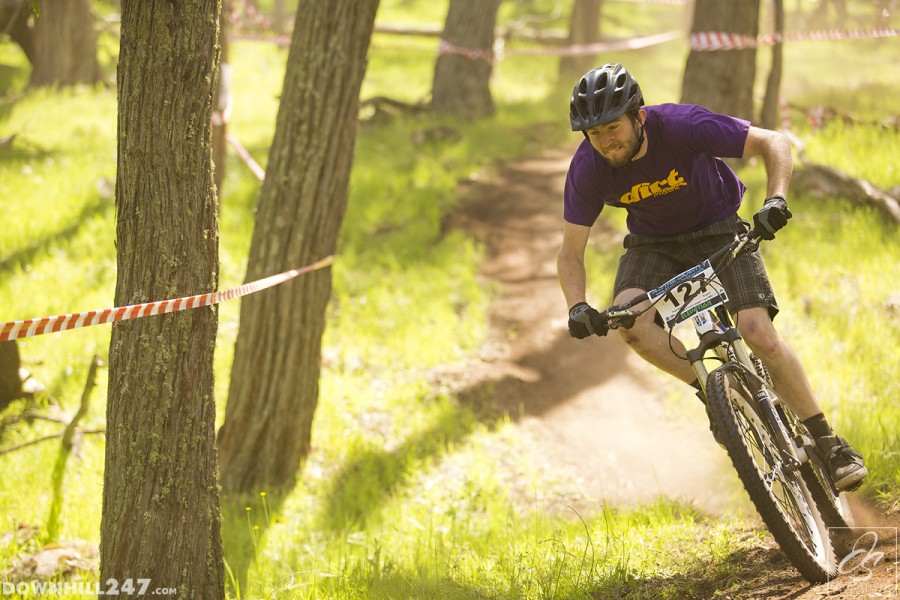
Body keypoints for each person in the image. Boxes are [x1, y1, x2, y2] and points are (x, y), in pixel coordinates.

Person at [557, 62, 867, 491]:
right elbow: (571, 251)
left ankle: (828, 442)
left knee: (758, 333)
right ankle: (713, 394)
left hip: (719, 226)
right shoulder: (588, 167)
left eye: (613, 127)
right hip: (653, 245)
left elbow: (773, 142)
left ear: (639, 116)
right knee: (632, 327)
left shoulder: (683, 125)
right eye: (595, 134)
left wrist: (775, 200)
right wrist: (576, 305)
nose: (606, 141)